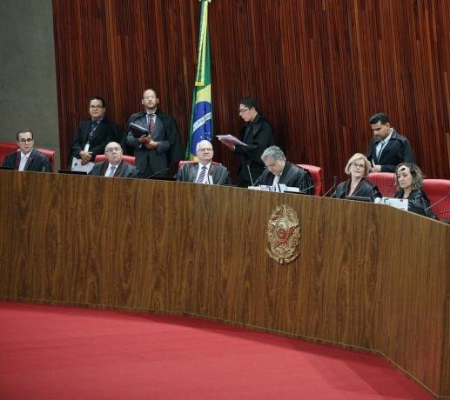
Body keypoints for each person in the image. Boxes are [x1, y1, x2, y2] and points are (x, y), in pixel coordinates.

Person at [125, 88, 182, 178]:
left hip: (159, 165)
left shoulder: (167, 119)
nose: (150, 99)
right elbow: (128, 139)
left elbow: (171, 143)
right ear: (142, 101)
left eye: (152, 97)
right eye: (147, 97)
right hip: (139, 165)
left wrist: (156, 144)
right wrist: (139, 140)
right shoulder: (135, 118)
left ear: (157, 100)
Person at [221, 97, 275, 187]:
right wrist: (234, 147)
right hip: (245, 170)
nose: (240, 114)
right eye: (240, 111)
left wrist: (236, 148)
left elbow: (258, 149)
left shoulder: (264, 126)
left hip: (258, 172)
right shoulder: (248, 125)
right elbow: (245, 145)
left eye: (243, 111)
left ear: (253, 109)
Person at [70, 96, 120, 167]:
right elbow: (75, 142)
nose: (95, 109)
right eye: (92, 106)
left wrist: (88, 155)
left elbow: (108, 145)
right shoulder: (82, 124)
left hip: (98, 163)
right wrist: (81, 152)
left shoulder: (111, 126)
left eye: (98, 106)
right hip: (78, 160)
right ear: (89, 109)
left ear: (103, 110)